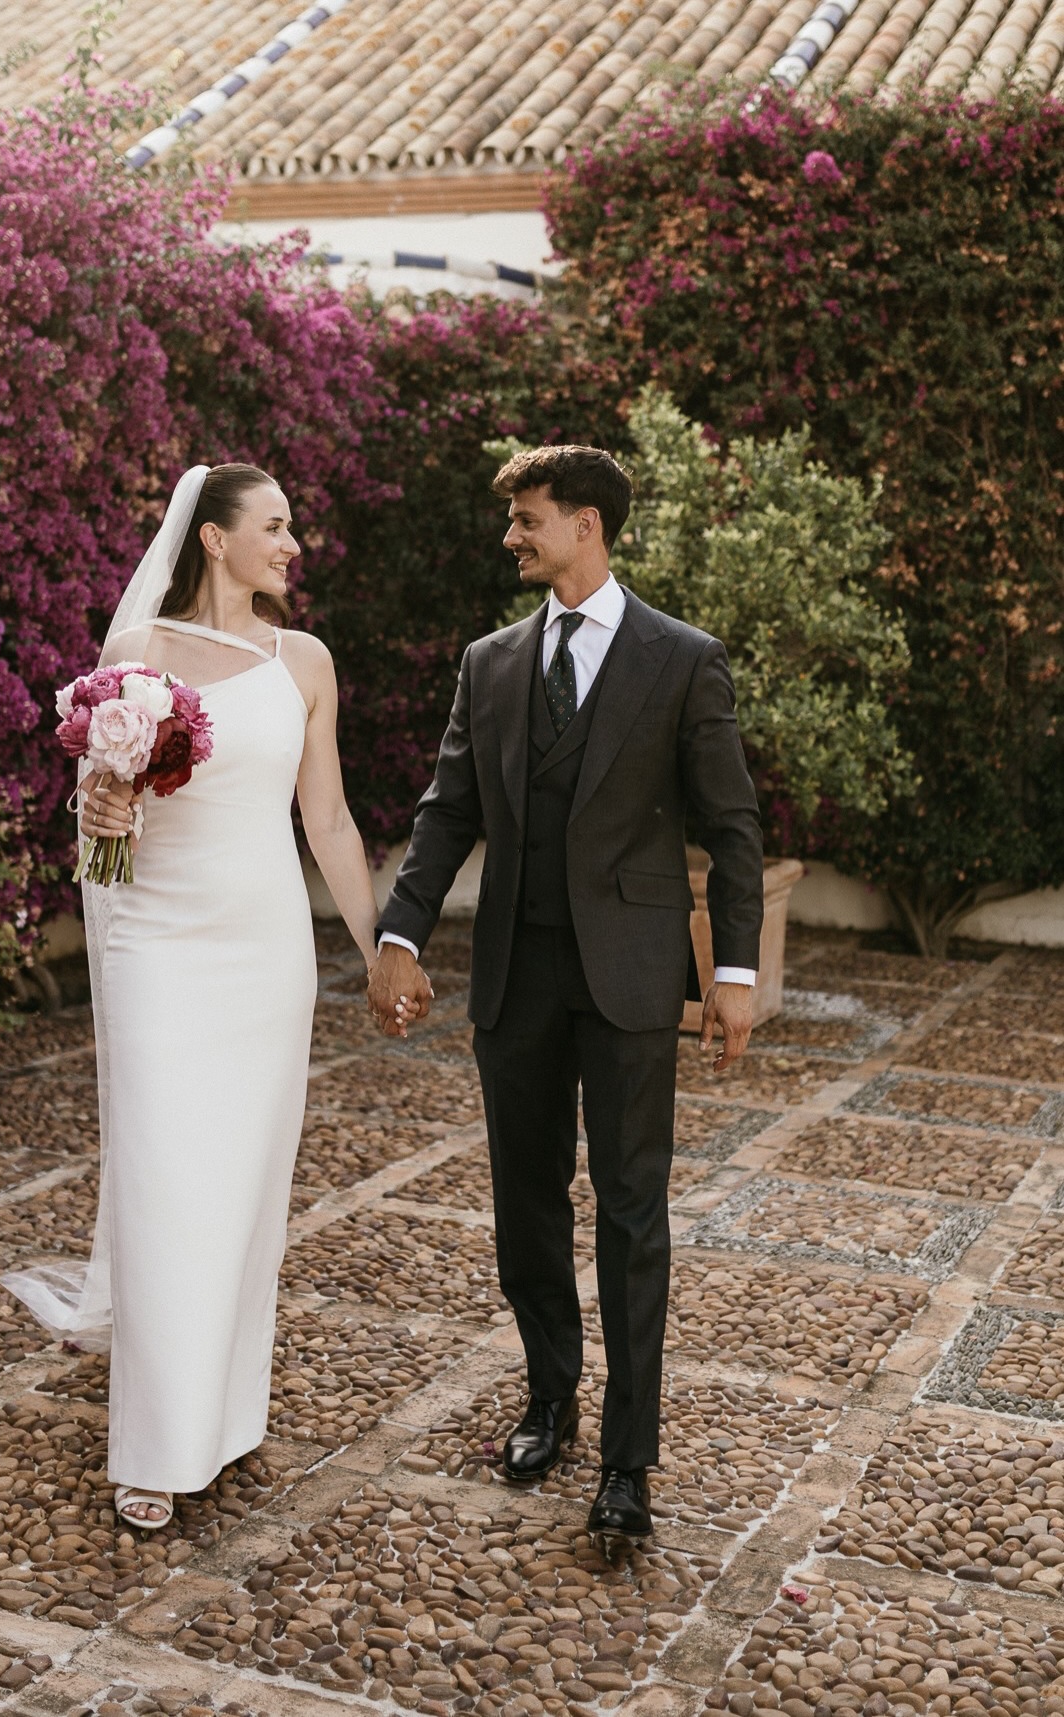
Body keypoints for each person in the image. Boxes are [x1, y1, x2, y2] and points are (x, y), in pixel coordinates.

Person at [367, 445, 764, 1541]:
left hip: (631, 976)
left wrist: (733, 970)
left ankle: (628, 1463)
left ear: (585, 524)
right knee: (526, 1208)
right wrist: (401, 931)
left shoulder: (683, 659)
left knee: (633, 1216)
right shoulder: (490, 662)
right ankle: (550, 1398)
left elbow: (730, 824)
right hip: (515, 975)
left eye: (527, 519)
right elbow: (449, 809)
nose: (512, 538)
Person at [5, 464, 412, 1531]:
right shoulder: (134, 660)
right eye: (274, 527)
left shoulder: (306, 662)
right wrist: (100, 811)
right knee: (161, 1177)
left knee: (239, 1188)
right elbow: (105, 832)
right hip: (153, 945)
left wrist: (379, 947)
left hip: (261, 949)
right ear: (214, 538)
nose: (292, 546)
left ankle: (223, 1419)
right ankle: (151, 1446)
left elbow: (325, 820)